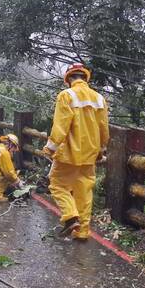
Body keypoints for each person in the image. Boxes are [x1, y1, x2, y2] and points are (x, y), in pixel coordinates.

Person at [42, 63, 109, 240]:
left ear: (69, 79)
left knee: (57, 184)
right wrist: (101, 150)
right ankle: (82, 231)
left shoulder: (67, 95)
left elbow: (61, 125)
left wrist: (50, 148)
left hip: (68, 153)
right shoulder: (99, 98)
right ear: (85, 77)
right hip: (90, 155)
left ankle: (70, 217)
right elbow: (104, 129)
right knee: (84, 192)